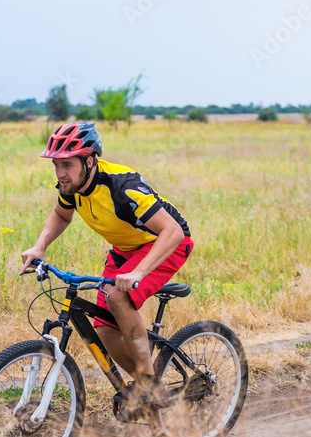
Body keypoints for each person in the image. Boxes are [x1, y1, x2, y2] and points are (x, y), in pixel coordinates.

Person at [20, 121, 193, 415]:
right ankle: (146, 386)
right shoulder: (72, 187)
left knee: (117, 297)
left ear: (89, 161)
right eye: (56, 165)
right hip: (125, 251)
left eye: (67, 165)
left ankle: (150, 383)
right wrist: (40, 247)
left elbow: (173, 232)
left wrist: (138, 273)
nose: (61, 173)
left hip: (165, 244)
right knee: (104, 328)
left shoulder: (123, 188)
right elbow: (61, 216)